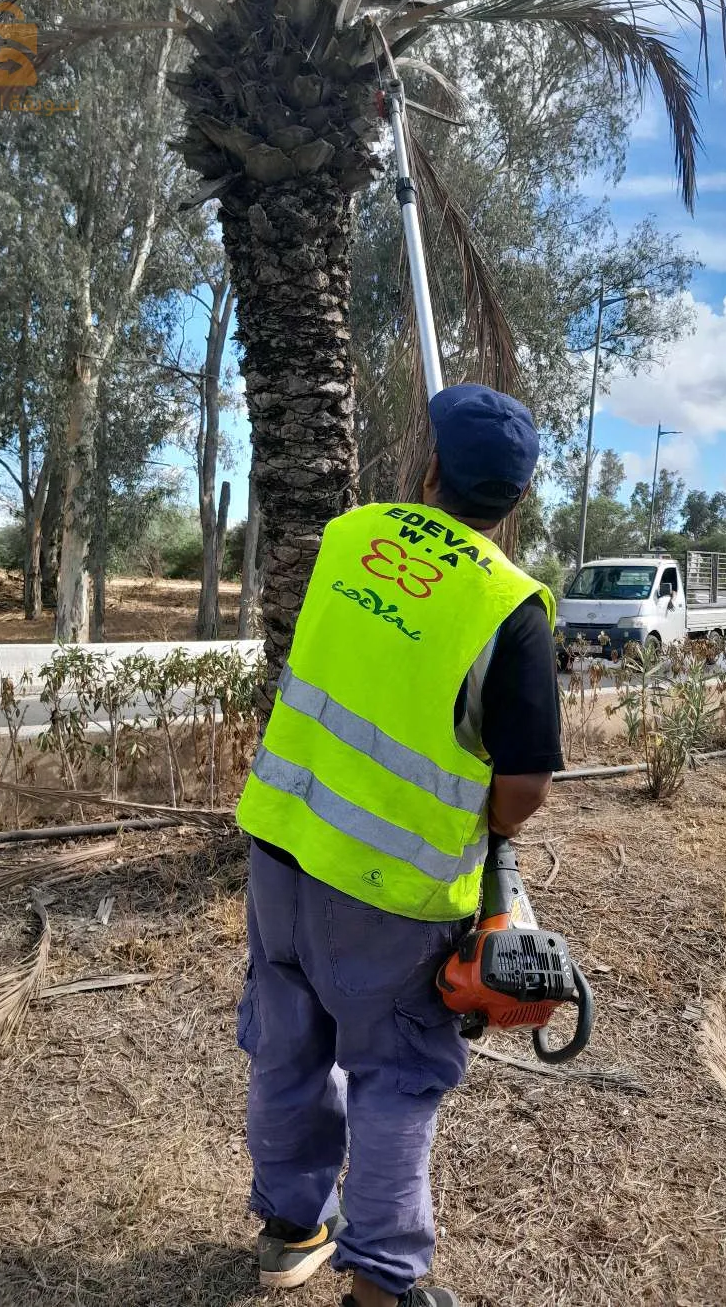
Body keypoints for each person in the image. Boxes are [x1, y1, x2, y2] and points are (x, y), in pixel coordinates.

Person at [235, 383, 564, 1307]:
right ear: (518, 500)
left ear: (427, 469)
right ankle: (381, 1286)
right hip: (390, 893)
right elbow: (524, 788)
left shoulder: (349, 538)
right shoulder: (511, 610)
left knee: (288, 1044)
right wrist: (487, 826)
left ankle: (289, 1227)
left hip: (281, 850)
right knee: (394, 1075)